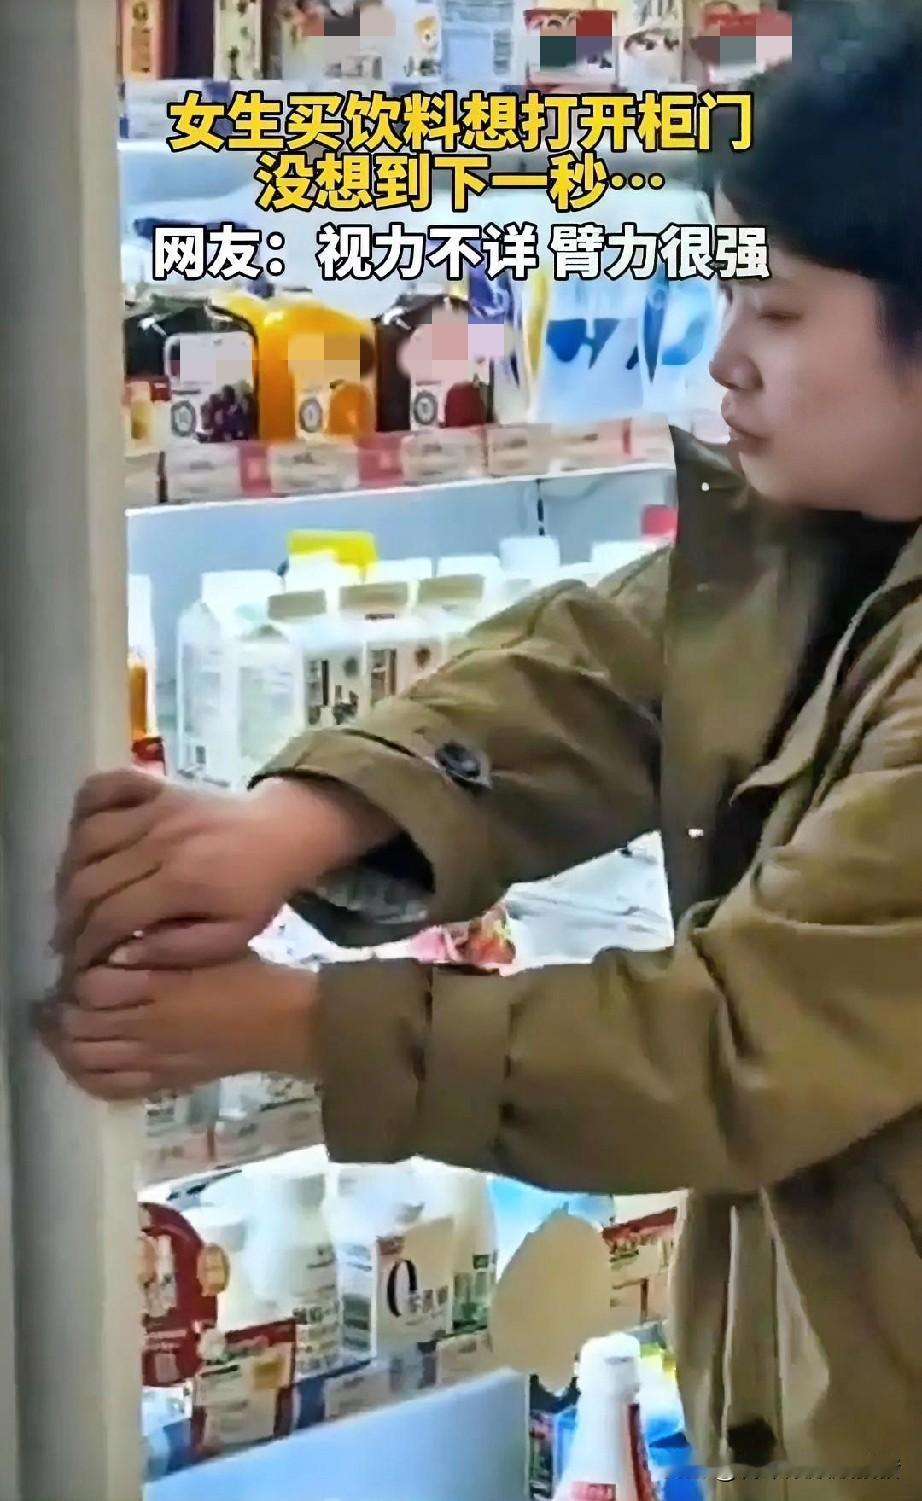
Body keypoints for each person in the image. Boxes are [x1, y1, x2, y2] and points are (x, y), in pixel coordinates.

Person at [46, 8, 922, 1497]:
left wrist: (297, 1027)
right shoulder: (833, 529)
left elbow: (726, 1047)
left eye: (777, 314)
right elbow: (614, 668)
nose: (724, 359)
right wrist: (307, 814)